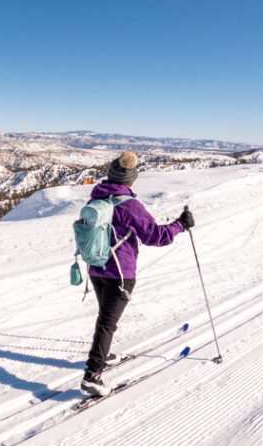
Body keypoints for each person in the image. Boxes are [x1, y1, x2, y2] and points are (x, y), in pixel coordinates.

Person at [81, 151, 194, 396]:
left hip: (95, 268)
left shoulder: (95, 199)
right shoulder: (130, 206)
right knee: (107, 323)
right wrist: (181, 224)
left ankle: (105, 355)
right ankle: (92, 375)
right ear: (131, 180)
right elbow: (156, 236)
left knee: (105, 318)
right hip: (120, 274)